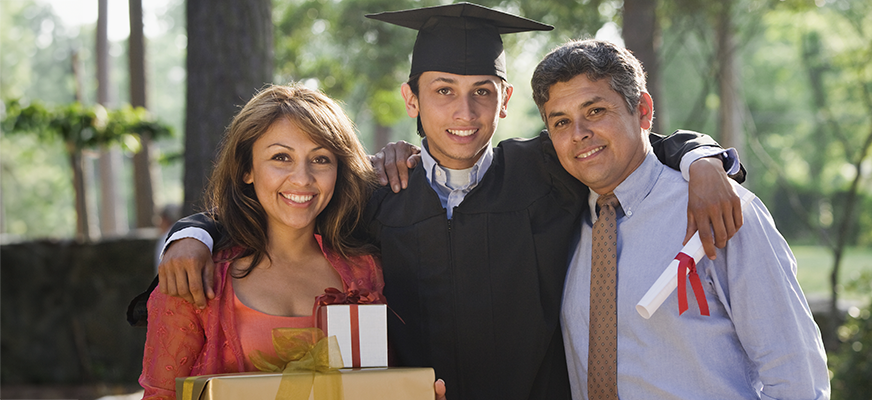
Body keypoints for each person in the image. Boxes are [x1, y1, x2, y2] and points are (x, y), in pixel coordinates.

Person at [146, 4, 745, 399]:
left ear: (505, 100)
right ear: (411, 99)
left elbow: (630, 145)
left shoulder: (546, 171)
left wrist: (702, 158)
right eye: (443, 92)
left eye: (482, 93)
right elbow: (282, 211)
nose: (464, 113)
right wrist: (193, 232)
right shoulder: (376, 195)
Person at [531, 39, 830, 399]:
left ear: (642, 110)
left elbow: (795, 375)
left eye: (595, 111)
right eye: (561, 122)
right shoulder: (558, 225)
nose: (579, 134)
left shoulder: (720, 210)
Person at [138, 84, 386, 399]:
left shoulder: (368, 272)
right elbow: (162, 395)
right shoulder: (193, 276)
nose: (302, 178)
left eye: (321, 159)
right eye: (281, 157)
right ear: (246, 169)